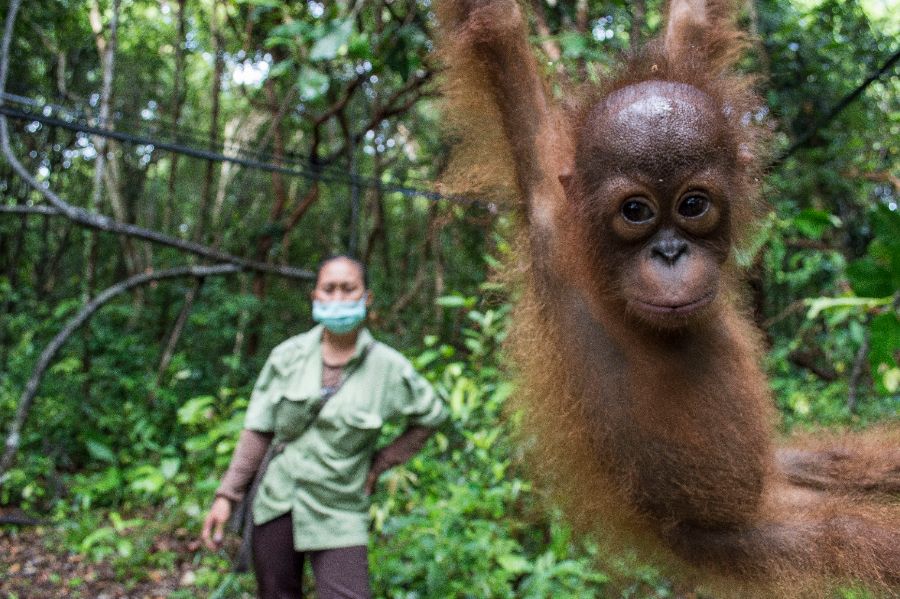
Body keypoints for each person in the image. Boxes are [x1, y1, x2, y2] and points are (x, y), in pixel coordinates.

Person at [201, 255, 447, 599]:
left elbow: (431, 416)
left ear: (366, 297)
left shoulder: (389, 368)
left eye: (349, 289)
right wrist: (227, 496)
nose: (338, 298)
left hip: (339, 508)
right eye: (329, 289)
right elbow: (258, 430)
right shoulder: (287, 357)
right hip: (278, 500)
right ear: (315, 296)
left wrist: (379, 464)